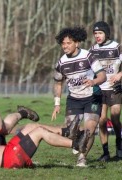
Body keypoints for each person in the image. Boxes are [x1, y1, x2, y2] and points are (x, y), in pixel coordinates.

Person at [51, 26, 106, 167]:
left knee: (90, 129)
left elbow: (103, 76)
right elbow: (58, 83)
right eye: (63, 43)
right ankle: (78, 138)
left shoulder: (88, 56)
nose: (65, 46)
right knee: (70, 133)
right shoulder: (61, 62)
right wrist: (57, 103)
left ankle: (82, 157)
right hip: (74, 99)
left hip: (92, 97)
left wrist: (93, 81)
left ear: (77, 43)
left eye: (68, 43)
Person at [89, 21, 122, 161]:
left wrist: (120, 75)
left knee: (115, 117)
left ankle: (120, 149)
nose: (97, 36)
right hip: (100, 90)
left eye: (100, 33)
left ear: (106, 34)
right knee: (101, 120)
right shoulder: (93, 50)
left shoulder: (117, 47)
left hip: (115, 88)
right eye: (95, 33)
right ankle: (105, 153)